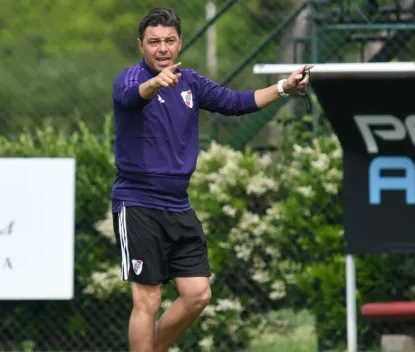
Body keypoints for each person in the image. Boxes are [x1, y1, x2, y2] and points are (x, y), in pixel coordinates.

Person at [111, 7, 312, 352]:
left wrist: (284, 87)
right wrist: (153, 84)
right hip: (139, 203)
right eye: (154, 41)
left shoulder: (191, 83)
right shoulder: (130, 79)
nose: (162, 48)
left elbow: (236, 102)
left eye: (169, 41)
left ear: (180, 43)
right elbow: (130, 96)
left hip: (178, 205)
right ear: (141, 46)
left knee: (198, 294)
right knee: (149, 299)